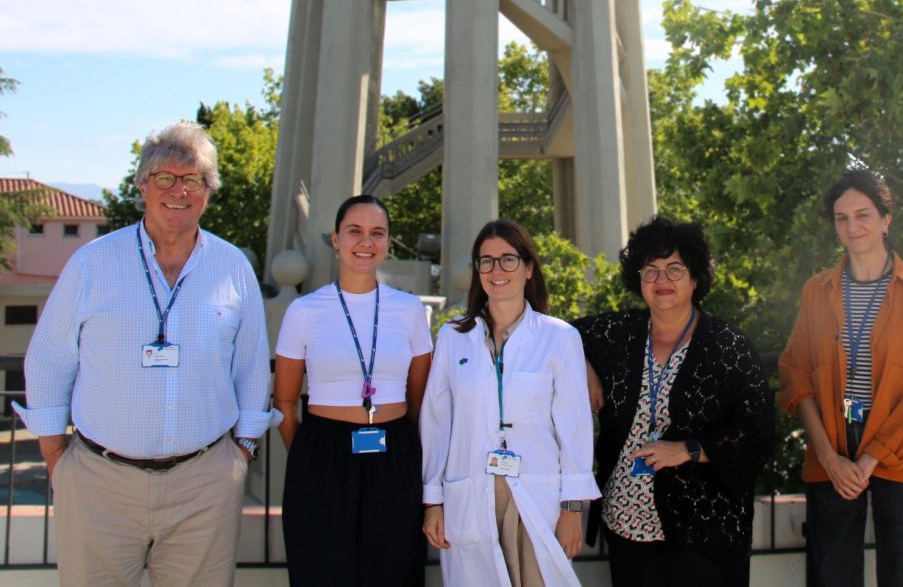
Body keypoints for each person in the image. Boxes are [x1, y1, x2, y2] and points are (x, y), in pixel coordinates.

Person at [14, 122, 279, 586]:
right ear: (143, 186)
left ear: (208, 190)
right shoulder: (93, 263)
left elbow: (252, 368)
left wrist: (242, 454)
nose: (179, 191)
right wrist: (58, 458)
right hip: (99, 484)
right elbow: (49, 361)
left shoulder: (232, 267)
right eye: (165, 178)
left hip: (204, 487)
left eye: (192, 180)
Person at [573, 216, 774, 587]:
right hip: (627, 528)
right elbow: (556, 335)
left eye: (674, 269)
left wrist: (688, 450)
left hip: (704, 533)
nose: (661, 280)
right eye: (650, 270)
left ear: (695, 278)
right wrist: (584, 366)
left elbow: (757, 431)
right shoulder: (618, 334)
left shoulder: (726, 345)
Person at [778, 170, 903, 587]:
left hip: (901, 455)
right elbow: (796, 374)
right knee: (832, 577)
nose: (852, 227)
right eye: (842, 218)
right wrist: (829, 457)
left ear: (886, 220)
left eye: (863, 215)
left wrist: (871, 459)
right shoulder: (816, 291)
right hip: (832, 452)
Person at [420, 220, 600, 586]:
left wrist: (572, 509)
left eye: (508, 259)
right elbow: (437, 424)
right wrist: (433, 501)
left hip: (536, 491)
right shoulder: (453, 337)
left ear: (529, 267)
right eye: (486, 261)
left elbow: (574, 428)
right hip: (470, 490)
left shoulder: (560, 338)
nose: (496, 270)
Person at [273, 194, 433, 585]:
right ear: (336, 239)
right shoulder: (304, 311)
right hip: (323, 456)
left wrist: (401, 446)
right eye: (354, 231)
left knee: (394, 573)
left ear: (388, 243)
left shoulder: (410, 309)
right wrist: (315, 455)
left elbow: (419, 400)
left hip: (394, 454)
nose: (366, 242)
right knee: (323, 572)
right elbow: (285, 402)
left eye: (377, 233)